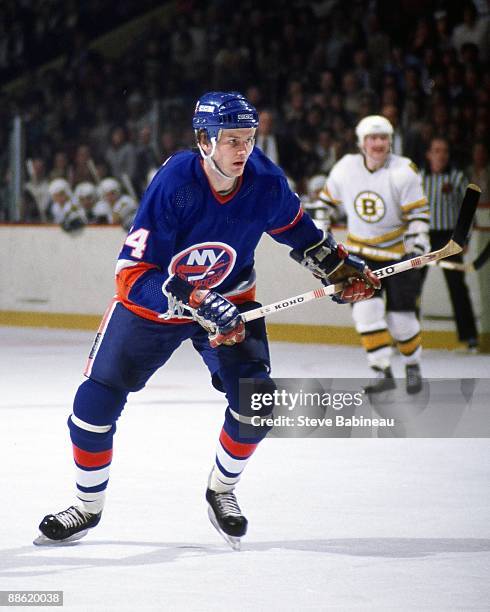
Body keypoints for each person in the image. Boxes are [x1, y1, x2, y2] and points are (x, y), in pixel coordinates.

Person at [34, 92, 379, 549]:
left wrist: (338, 267)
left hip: (231, 299)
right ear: (204, 139)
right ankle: (87, 506)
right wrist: (194, 298)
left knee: (256, 404)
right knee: (92, 408)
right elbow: (132, 276)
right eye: (232, 140)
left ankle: (223, 491)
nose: (244, 151)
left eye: (250, 139)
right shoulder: (175, 183)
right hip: (156, 307)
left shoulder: (265, 181)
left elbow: (303, 234)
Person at [318, 115, 430, 394]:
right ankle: (382, 370)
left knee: (401, 318)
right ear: (361, 142)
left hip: (397, 256)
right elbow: (323, 207)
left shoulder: (404, 170)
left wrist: (416, 248)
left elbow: (418, 215)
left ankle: (413, 365)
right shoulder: (345, 168)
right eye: (372, 138)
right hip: (359, 257)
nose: (377, 143)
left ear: (390, 142)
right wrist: (320, 243)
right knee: (367, 314)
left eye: (382, 138)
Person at [421, 136, 479, 351]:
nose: (441, 155)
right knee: (411, 287)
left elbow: (469, 209)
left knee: (457, 288)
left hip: (449, 238)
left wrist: (465, 238)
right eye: (436, 150)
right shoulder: (419, 178)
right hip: (423, 238)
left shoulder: (456, 177)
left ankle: (469, 339)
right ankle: (405, 338)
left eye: (444, 150)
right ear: (429, 154)